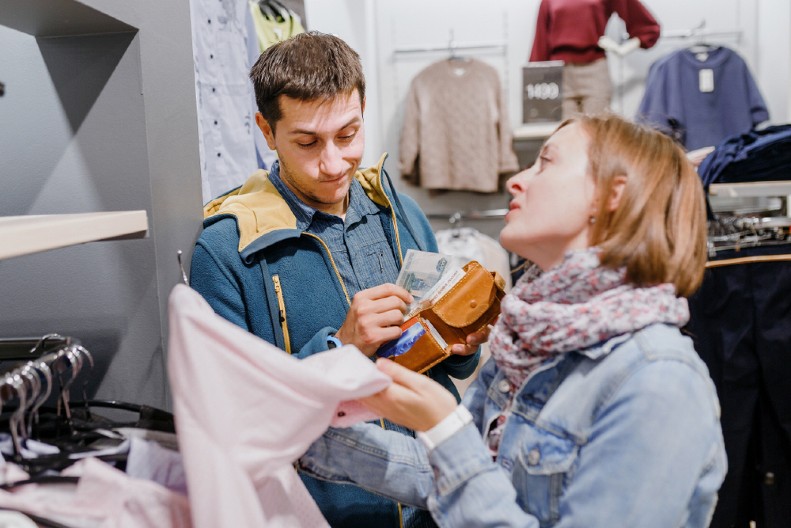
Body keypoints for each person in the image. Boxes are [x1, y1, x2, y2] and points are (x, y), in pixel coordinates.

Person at [299, 113, 728, 527]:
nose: (515, 180)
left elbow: (461, 462)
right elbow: (461, 475)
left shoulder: (657, 379)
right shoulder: (528, 341)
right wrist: (301, 432)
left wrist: (444, 427)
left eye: (545, 162)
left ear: (611, 195)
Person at [189, 31, 483, 527]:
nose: (333, 163)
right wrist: (339, 348)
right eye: (307, 142)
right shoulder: (224, 251)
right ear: (266, 130)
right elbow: (232, 419)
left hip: (444, 501)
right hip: (329, 514)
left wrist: (463, 338)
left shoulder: (401, 212)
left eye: (348, 135)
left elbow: (453, 368)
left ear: (363, 109)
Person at [529, 0, 660, 118]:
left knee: (597, 133)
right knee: (566, 133)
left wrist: (621, 49)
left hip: (594, 70)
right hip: (560, 75)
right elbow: (541, 40)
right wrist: (534, 80)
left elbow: (648, 28)